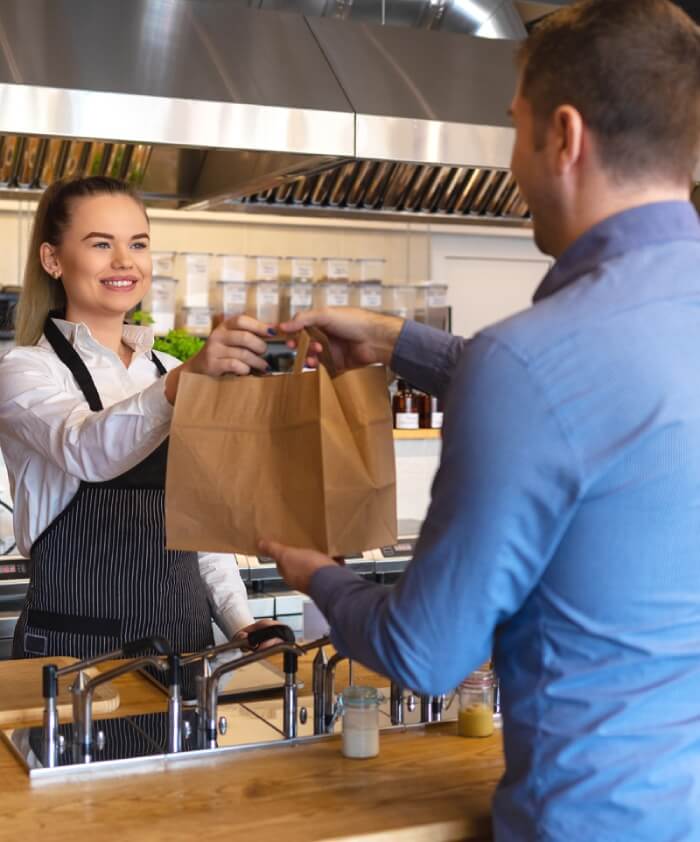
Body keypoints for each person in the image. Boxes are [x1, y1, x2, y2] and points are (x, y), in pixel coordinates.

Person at [261, 1, 700, 839]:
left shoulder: (532, 361)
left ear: (563, 137)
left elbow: (426, 653)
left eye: (515, 128)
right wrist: (398, 341)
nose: (511, 162)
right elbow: (600, 404)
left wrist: (311, 568)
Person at [0, 176, 274, 663]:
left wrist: (242, 622)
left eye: (138, 244)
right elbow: (87, 449)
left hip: (184, 651)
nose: (124, 261)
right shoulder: (25, 370)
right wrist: (184, 384)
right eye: (101, 243)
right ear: (53, 259)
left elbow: (202, 529)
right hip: (74, 656)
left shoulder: (168, 370)